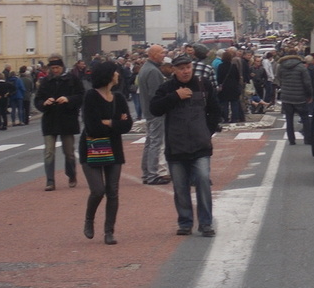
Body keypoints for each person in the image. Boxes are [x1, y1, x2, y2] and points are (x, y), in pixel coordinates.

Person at [150, 54, 222, 237]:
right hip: (176, 147)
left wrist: (208, 132)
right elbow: (154, 108)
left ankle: (206, 223)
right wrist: (175, 96)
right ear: (174, 69)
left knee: (203, 180)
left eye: (188, 67)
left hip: (200, 146)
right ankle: (185, 222)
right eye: (181, 68)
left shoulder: (203, 84)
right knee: (180, 187)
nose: (185, 71)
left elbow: (215, 110)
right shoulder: (167, 88)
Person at [79, 61, 133, 245]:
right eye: (115, 73)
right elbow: (92, 127)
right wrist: (116, 123)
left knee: (113, 191)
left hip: (114, 149)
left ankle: (109, 231)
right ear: (108, 75)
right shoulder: (90, 97)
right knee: (98, 190)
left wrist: (109, 123)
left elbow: (128, 125)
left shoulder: (119, 98)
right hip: (91, 148)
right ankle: (89, 219)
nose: (118, 75)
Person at [34, 53, 85, 191]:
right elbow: (37, 100)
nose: (55, 70)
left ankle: (71, 174)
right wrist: (44, 103)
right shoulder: (45, 82)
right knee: (49, 151)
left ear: (61, 67)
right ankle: (50, 180)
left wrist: (68, 99)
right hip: (50, 120)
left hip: (67, 119)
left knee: (68, 151)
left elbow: (81, 96)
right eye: (52, 68)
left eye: (57, 67)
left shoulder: (72, 80)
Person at [138, 44, 170, 185]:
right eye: (162, 53)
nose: (164, 55)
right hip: (156, 112)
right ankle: (152, 174)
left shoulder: (145, 68)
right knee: (155, 143)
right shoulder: (153, 72)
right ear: (154, 55)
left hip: (148, 111)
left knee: (150, 142)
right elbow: (156, 95)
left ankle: (147, 173)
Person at [275, 48, 312, 145]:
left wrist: (284, 85)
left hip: (286, 96)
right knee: (305, 118)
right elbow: (307, 83)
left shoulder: (281, 66)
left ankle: (291, 140)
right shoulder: (301, 67)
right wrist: (309, 95)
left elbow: (278, 78)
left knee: (289, 119)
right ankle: (307, 139)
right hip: (300, 96)